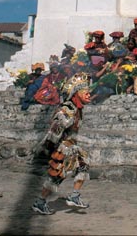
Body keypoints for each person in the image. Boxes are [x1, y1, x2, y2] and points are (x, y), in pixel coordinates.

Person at [32, 73, 92, 215]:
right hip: (62, 148)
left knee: (84, 164)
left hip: (71, 146)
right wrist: (47, 149)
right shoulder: (66, 111)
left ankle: (74, 196)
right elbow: (53, 133)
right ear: (76, 94)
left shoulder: (78, 109)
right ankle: (40, 202)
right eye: (86, 92)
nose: (89, 95)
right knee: (56, 176)